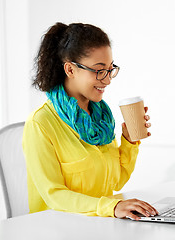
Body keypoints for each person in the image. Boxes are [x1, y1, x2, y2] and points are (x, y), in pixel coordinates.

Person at [22, 22, 158, 220]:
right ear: (70, 69)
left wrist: (129, 142)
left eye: (110, 70)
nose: (108, 79)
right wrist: (111, 207)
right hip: (57, 228)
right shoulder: (40, 124)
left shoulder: (101, 118)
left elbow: (114, 183)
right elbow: (54, 196)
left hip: (99, 225)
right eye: (99, 70)